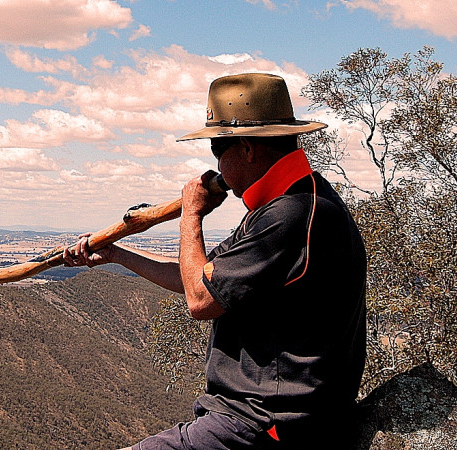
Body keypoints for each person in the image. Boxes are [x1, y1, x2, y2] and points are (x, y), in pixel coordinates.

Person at [64, 73, 367, 449]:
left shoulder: (291, 214)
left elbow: (201, 300)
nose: (216, 168)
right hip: (257, 417)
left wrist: (191, 214)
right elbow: (206, 277)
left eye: (217, 151)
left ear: (248, 148)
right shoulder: (290, 202)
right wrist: (116, 254)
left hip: (265, 423)